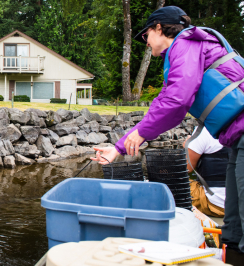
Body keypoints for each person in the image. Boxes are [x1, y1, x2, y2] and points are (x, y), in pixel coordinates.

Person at [90, 5, 244, 261]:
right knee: (233, 224)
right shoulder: (188, 52)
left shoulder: (185, 44)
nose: (146, 43)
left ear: (160, 28)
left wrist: (139, 136)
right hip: (237, 139)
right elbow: (166, 102)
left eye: (146, 35)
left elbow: (176, 101)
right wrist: (119, 147)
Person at [184, 127, 229, 217]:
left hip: (217, 204)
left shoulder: (205, 130)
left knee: (170, 182)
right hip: (239, 204)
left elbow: (186, 168)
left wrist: (186, 147)